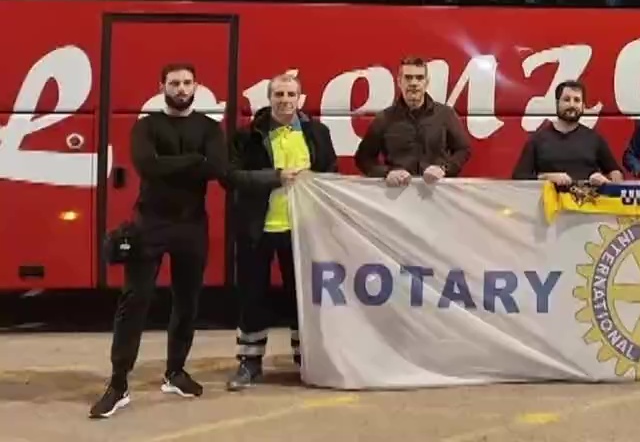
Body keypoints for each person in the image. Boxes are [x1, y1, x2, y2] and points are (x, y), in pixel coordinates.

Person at [90, 63, 229, 420]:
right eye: (174, 83)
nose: (181, 89)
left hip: (192, 226)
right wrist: (194, 159)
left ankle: (175, 372)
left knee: (187, 301)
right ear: (162, 86)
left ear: (196, 85)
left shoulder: (210, 127)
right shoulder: (146, 125)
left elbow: (216, 168)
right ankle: (118, 383)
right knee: (134, 301)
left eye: (187, 83)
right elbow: (146, 166)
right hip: (148, 223)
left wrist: (173, 162)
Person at [225, 73, 338, 391]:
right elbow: (231, 176)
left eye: (291, 94)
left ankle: (306, 360)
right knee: (252, 296)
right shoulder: (247, 136)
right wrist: (274, 177)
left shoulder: (317, 133)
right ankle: (249, 363)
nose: (285, 99)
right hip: (256, 228)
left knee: (301, 297)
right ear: (269, 97)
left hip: (302, 230)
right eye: (279, 94)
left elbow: (331, 172)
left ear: (300, 98)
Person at [355, 55, 472, 185]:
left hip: (438, 198)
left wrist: (444, 169)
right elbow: (363, 159)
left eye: (419, 78)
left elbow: (463, 150)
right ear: (399, 81)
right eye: (408, 78)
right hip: (396, 199)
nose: (414, 83)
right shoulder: (384, 119)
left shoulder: (445, 115)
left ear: (426, 82)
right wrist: (386, 172)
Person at [512, 79, 623, 185]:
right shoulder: (538, 140)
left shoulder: (595, 139)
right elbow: (518, 178)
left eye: (577, 100)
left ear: (583, 106)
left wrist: (605, 179)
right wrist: (545, 177)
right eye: (566, 99)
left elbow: (616, 173)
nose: (572, 105)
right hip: (549, 203)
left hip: (587, 203)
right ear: (557, 103)